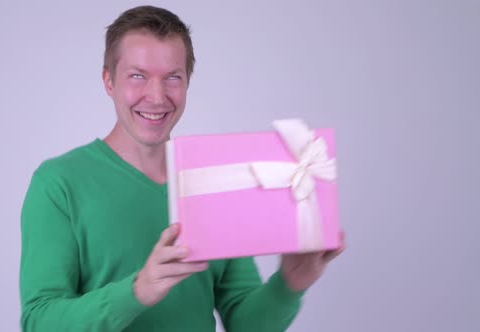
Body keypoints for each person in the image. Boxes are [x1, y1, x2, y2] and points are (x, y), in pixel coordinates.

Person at [19, 5, 345, 332]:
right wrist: (137, 291)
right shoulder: (58, 184)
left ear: (187, 81)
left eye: (172, 77)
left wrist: (289, 285)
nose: (157, 97)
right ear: (108, 80)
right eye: (137, 76)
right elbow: (39, 321)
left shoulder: (216, 181)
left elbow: (246, 323)